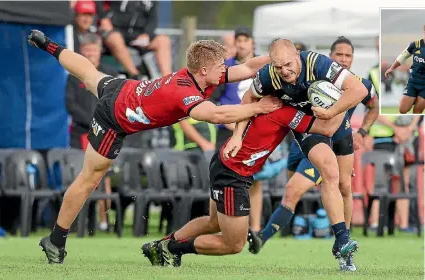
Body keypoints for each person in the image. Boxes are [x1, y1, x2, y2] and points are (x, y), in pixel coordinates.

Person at [27, 29, 281, 264]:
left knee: (89, 73)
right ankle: (55, 240)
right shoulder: (184, 92)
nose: (224, 69)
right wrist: (257, 107)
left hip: (124, 88)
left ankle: (47, 44)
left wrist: (284, 57)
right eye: (219, 66)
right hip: (113, 119)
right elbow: (216, 115)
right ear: (204, 69)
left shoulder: (202, 74)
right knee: (89, 179)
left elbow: (248, 67)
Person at [142, 101, 347, 267]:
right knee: (233, 244)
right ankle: (170, 248)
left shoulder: (265, 100)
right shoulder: (285, 110)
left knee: (213, 223)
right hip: (233, 175)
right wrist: (341, 105)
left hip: (223, 163)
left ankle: (158, 245)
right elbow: (325, 129)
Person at [226, 38, 367, 269]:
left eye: (288, 65)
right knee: (328, 172)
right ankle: (342, 241)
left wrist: (333, 111)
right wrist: (237, 135)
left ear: (297, 55)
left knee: (344, 186)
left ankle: (344, 241)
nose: (284, 71)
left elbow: (360, 90)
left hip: (337, 120)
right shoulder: (267, 76)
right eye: (278, 67)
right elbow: (247, 100)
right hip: (308, 127)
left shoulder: (317, 63)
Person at [66, 33, 119, 233]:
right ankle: (78, 221)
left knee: (103, 177)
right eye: (86, 51)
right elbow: (70, 104)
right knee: (82, 176)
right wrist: (91, 122)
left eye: (93, 51)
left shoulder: (110, 73)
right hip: (81, 133)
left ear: (99, 52)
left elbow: (115, 102)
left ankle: (104, 221)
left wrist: (103, 122)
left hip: (106, 133)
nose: (90, 54)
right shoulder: (74, 77)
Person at [214, 26, 265, 233]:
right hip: (228, 130)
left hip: (255, 133)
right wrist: (226, 119)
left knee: (255, 179)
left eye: (245, 40)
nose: (241, 44)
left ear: (253, 42)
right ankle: (221, 225)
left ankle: (255, 228)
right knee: (224, 177)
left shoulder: (263, 69)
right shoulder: (226, 69)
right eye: (238, 40)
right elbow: (212, 100)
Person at [95, 1, 173, 76]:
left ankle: (167, 79)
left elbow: (153, 18)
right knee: (114, 38)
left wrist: (147, 34)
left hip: (138, 35)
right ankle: (136, 76)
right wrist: (103, 18)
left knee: (163, 40)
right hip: (116, 31)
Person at [72, 0, 140, 77]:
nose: (87, 19)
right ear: (76, 15)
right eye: (83, 15)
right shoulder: (69, 33)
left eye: (90, 15)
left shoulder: (94, 32)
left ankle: (135, 76)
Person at [385, 25, 425, 114]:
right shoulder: (415, 45)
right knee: (402, 110)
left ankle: (415, 126)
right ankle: (414, 98)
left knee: (417, 111)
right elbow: (402, 57)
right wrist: (392, 68)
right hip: (413, 83)